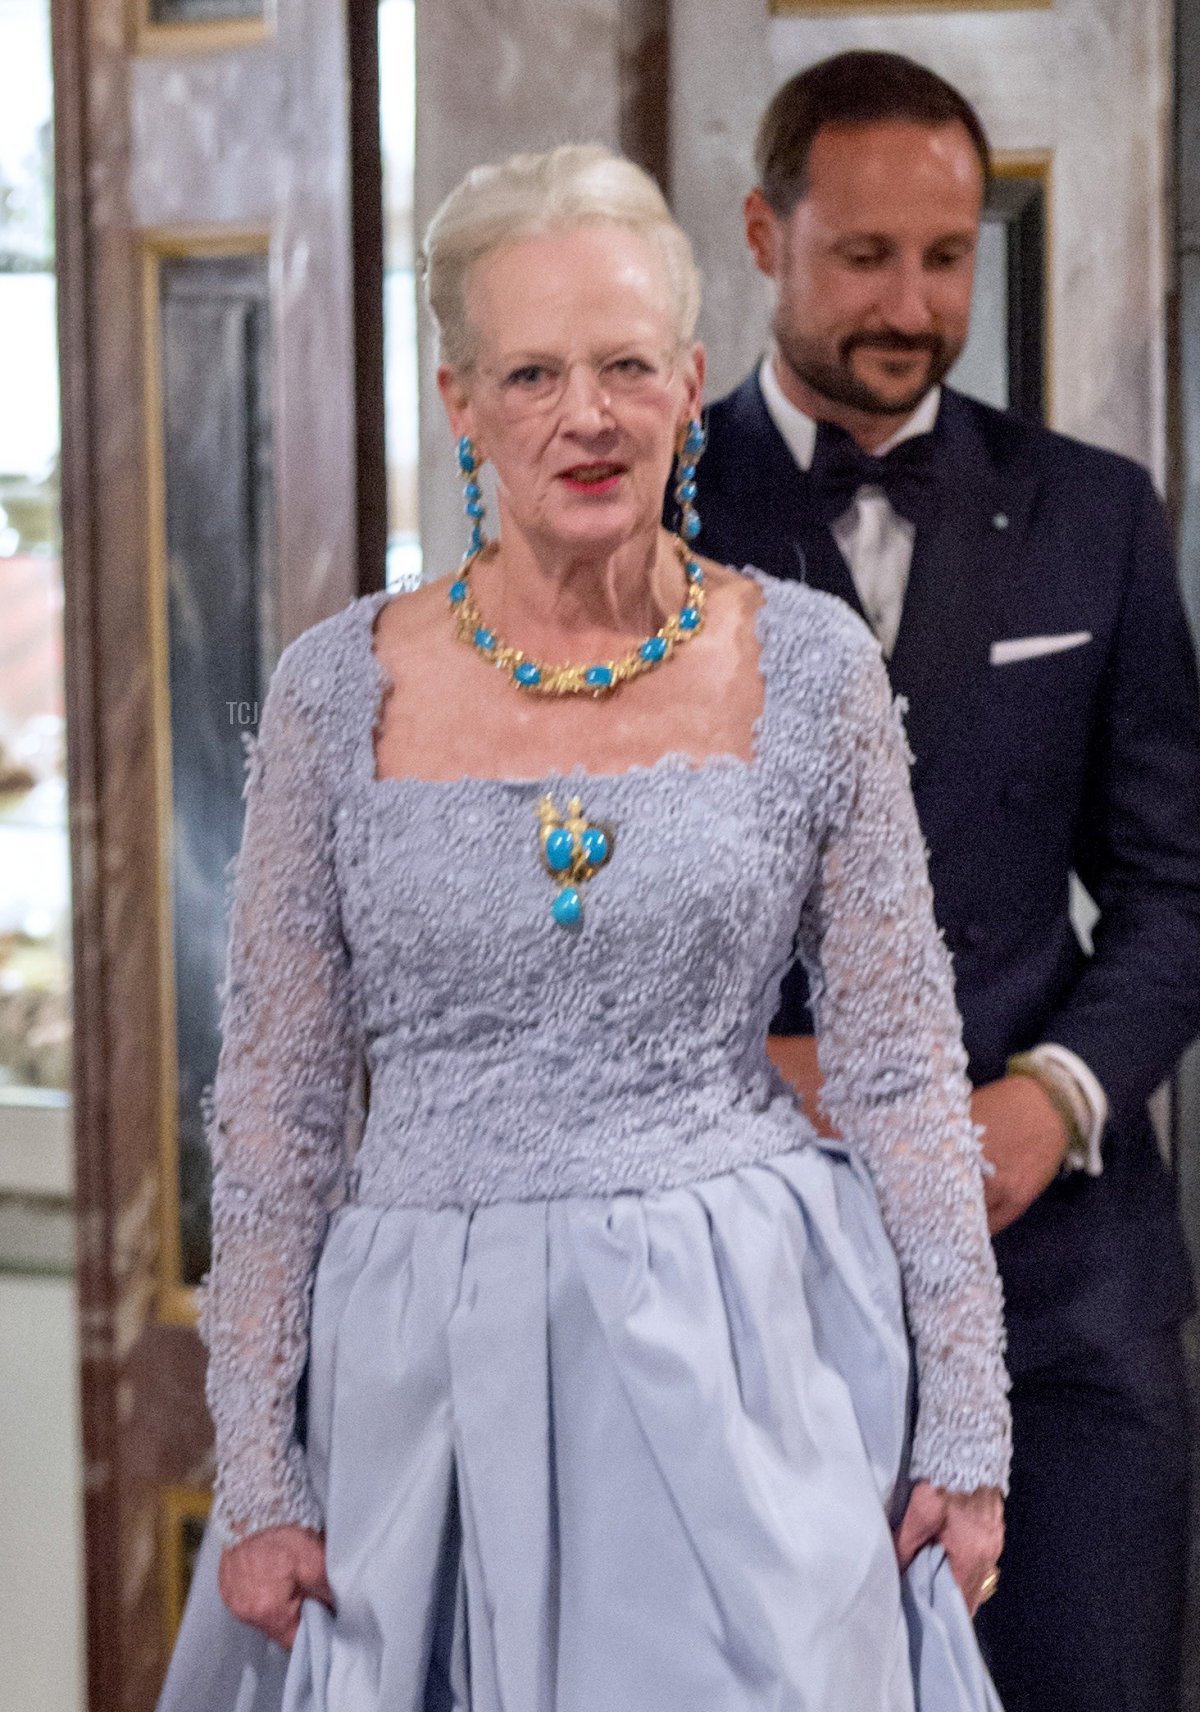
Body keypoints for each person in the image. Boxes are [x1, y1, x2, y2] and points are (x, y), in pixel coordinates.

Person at [157, 143, 1010, 1712]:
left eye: (625, 366)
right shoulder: (335, 691)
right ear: (459, 399)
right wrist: (261, 1471)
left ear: (691, 382)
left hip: (741, 1357)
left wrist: (967, 1422)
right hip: (420, 1373)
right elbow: (276, 1115)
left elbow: (897, 1067)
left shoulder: (810, 668)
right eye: (533, 371)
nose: (586, 415)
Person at [691, 51, 1200, 1712]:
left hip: (1063, 1298)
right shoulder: (652, 531)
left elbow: (1177, 888)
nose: (912, 303)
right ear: (765, 233)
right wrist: (746, 1070)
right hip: (745, 1280)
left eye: (948, 256)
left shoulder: (1100, 520)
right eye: (863, 257)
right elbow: (553, 899)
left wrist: (1050, 1101)